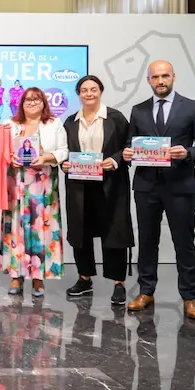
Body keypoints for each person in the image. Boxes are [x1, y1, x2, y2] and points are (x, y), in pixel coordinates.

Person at [122, 60, 195, 319]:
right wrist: (128, 153)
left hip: (180, 185)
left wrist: (189, 152)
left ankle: (190, 297)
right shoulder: (138, 110)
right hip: (146, 186)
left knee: (184, 242)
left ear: (173, 77)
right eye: (155, 77)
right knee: (147, 241)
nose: (160, 81)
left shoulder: (193, 108)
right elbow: (131, 144)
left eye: (165, 76)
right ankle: (146, 291)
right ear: (148, 80)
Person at [62, 75, 133, 305]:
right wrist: (64, 164)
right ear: (79, 94)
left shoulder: (115, 117)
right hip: (79, 186)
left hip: (111, 185)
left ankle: (118, 283)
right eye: (84, 90)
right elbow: (65, 151)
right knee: (80, 232)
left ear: (100, 91)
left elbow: (128, 147)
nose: (89, 93)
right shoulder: (70, 121)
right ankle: (85, 278)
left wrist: (113, 160)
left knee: (114, 231)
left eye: (93, 89)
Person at [1, 88, 67, 297]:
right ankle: (15, 276)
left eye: (36, 99)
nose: (32, 102)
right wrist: (9, 157)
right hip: (17, 184)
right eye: (28, 99)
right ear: (21, 103)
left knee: (41, 229)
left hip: (43, 185)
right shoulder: (10, 125)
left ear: (43, 102)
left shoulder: (54, 123)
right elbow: (2, 150)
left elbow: (64, 151)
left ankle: (38, 278)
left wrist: (47, 157)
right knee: (16, 229)